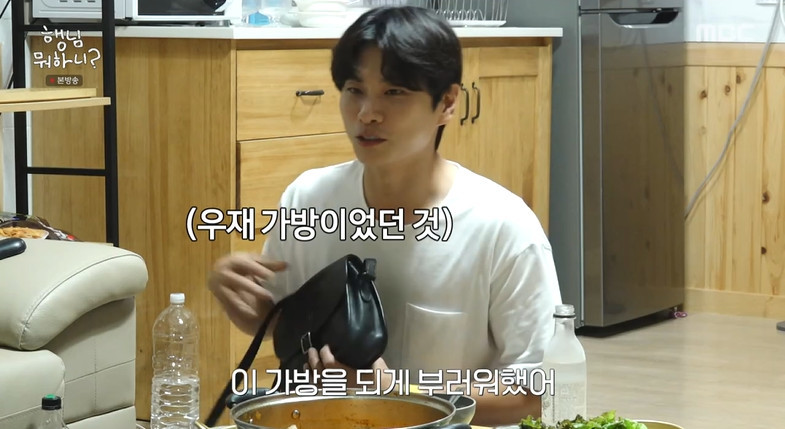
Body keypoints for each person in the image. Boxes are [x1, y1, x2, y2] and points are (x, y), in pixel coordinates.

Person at [208, 5, 563, 426]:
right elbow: (286, 327)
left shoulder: (503, 226)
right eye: (355, 90)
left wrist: (397, 394)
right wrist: (246, 303)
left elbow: (536, 393)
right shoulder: (308, 200)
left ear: (448, 103)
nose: (367, 113)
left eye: (394, 93)